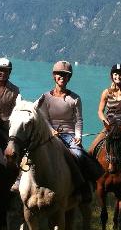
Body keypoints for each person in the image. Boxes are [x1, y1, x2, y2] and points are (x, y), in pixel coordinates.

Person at [37, 60, 101, 202]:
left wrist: (78, 136)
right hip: (50, 134)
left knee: (78, 155)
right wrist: (51, 130)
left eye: (65, 75)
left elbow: (78, 120)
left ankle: (83, 188)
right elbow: (44, 118)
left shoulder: (75, 98)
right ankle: (21, 182)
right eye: (59, 74)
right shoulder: (45, 97)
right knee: (32, 151)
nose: (62, 77)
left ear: (68, 78)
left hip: (69, 134)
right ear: (54, 76)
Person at [92, 63, 121, 172]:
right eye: (115, 74)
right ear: (111, 76)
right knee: (93, 148)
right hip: (110, 128)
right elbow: (100, 111)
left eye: (120, 74)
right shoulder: (106, 92)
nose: (117, 77)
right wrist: (105, 121)